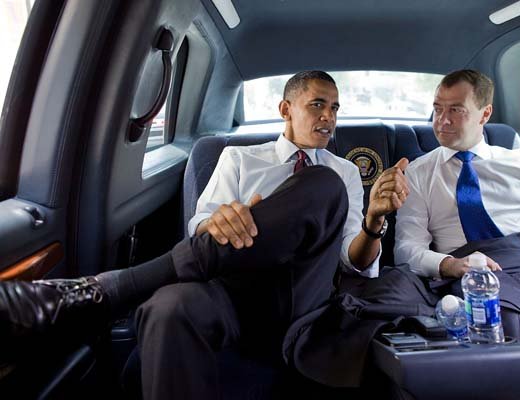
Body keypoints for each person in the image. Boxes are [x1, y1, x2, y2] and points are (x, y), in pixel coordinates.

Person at [0, 71, 409, 399]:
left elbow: (352, 261)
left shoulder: (344, 173)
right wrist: (220, 222)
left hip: (305, 297)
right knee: (169, 304)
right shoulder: (239, 157)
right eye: (317, 104)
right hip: (232, 288)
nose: (329, 117)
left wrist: (374, 221)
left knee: (322, 183)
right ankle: (122, 288)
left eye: (334, 108)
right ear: (286, 108)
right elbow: (198, 229)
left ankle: (110, 289)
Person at [394, 69, 520, 343]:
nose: (442, 120)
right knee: (504, 321)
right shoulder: (418, 173)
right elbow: (406, 249)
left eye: (456, 109)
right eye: (437, 109)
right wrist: (450, 265)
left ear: (485, 114)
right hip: (473, 274)